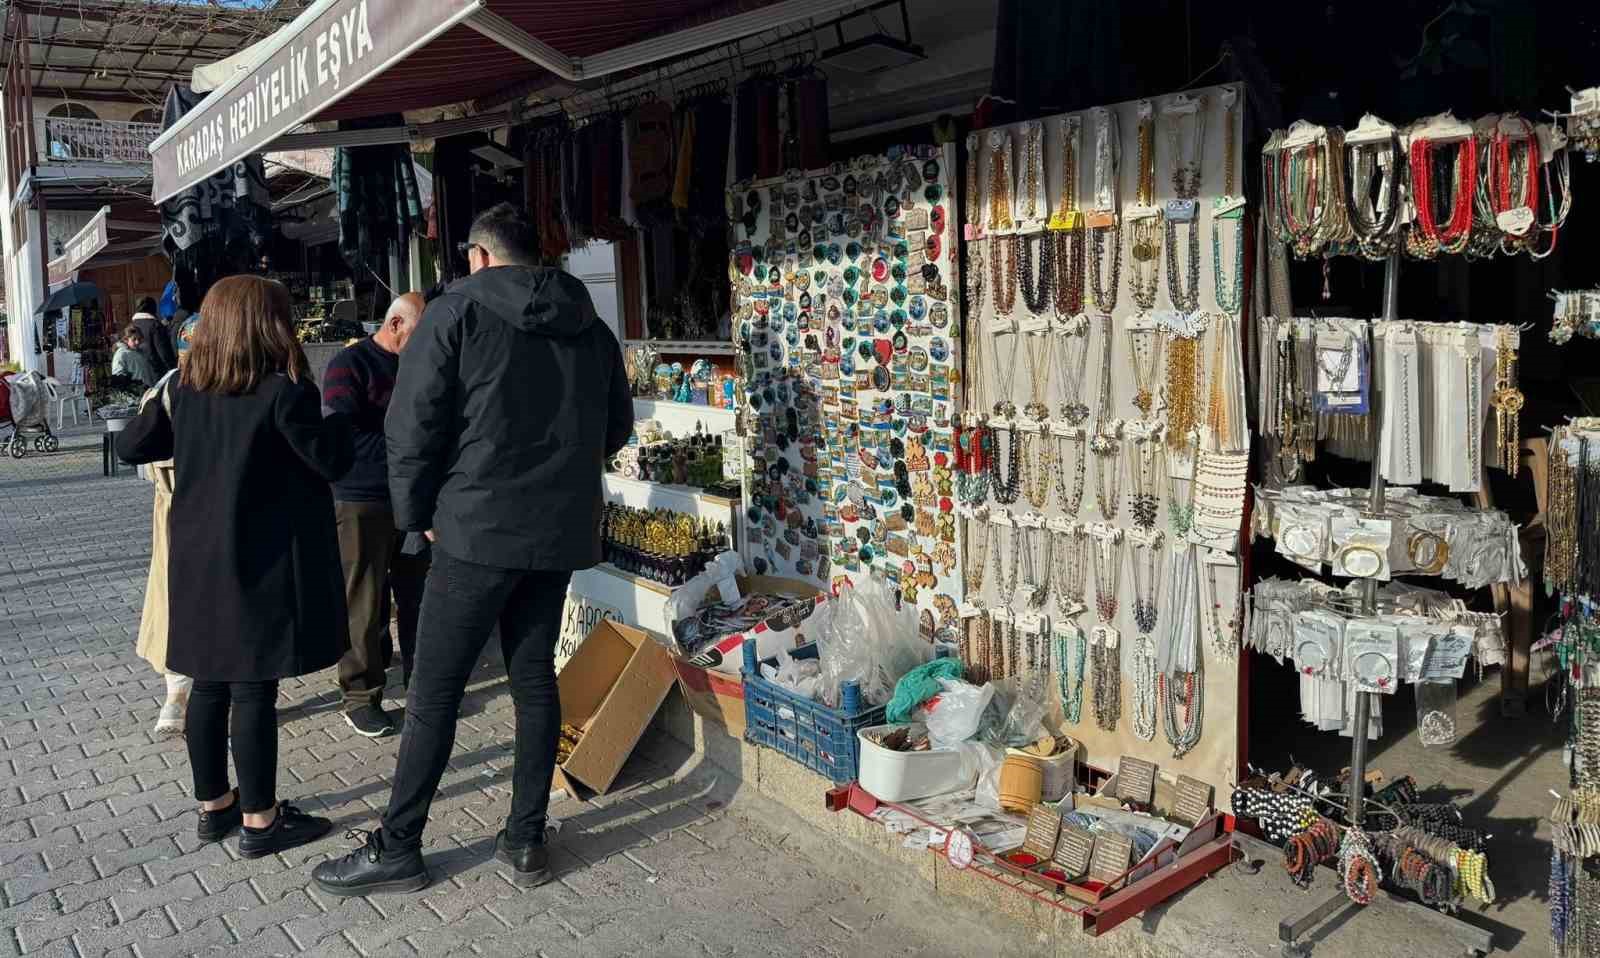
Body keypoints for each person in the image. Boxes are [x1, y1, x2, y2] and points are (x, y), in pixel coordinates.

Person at [313, 203, 633, 895]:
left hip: (474, 530)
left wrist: (417, 514)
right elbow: (615, 428)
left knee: (433, 692)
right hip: (553, 533)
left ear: (480, 257)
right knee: (532, 680)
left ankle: (399, 846)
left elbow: (411, 426)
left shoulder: (456, 315)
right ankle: (524, 840)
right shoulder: (591, 326)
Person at [117, 275, 353, 859]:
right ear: (265, 323)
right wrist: (343, 416)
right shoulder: (282, 392)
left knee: (208, 683)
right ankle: (260, 821)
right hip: (260, 559)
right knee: (252, 688)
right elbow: (330, 460)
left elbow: (130, 448)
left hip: (195, 558)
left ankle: (213, 808)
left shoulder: (185, 390)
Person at [323, 292, 429, 738]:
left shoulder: (421, 365)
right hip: (362, 497)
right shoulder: (349, 365)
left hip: (415, 500)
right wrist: (407, 453)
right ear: (397, 325)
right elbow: (340, 434)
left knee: (417, 597)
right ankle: (361, 695)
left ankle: (423, 688)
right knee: (364, 600)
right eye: (422, 333)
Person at [136, 314, 201, 736]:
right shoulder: (233, 386)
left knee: (174, 599)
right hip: (194, 511)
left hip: (174, 510)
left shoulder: (160, 391)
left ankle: (177, 696)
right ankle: (183, 695)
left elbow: (140, 459)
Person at [131, 296, 177, 378]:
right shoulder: (155, 326)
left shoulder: (132, 324)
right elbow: (163, 352)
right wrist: (173, 369)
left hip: (138, 372)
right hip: (156, 373)